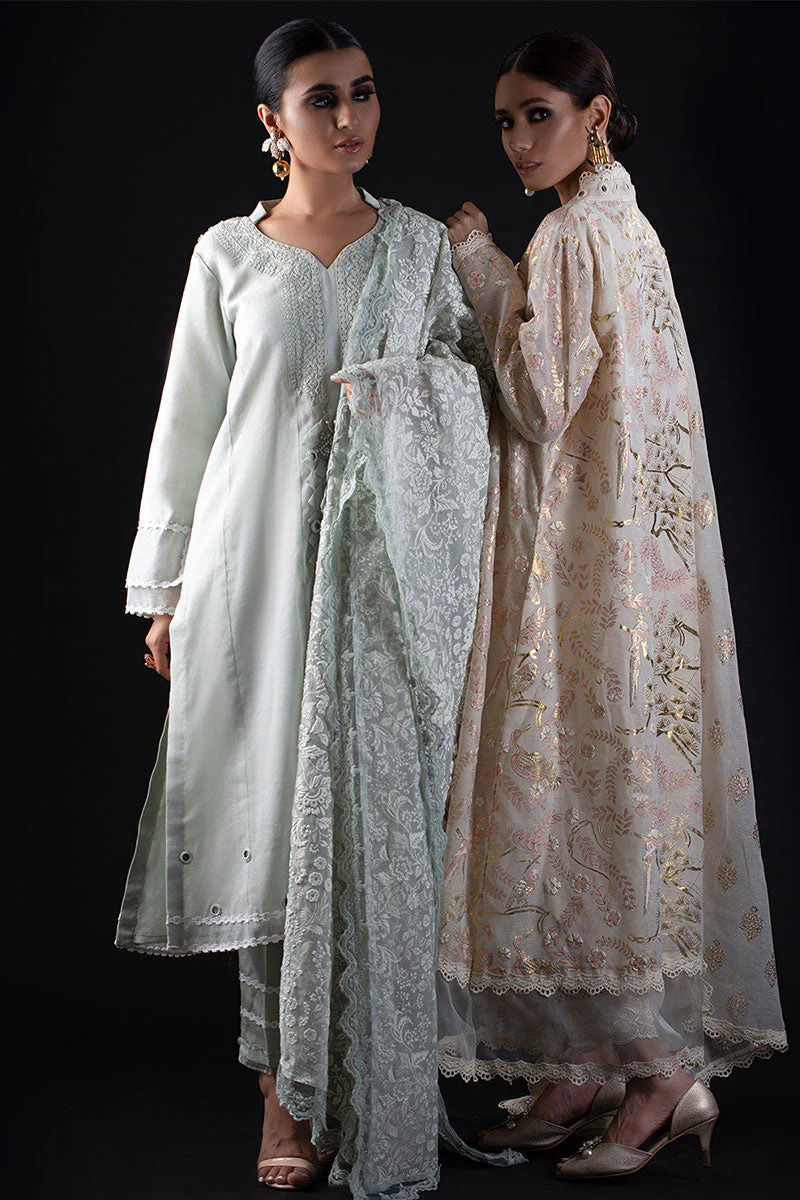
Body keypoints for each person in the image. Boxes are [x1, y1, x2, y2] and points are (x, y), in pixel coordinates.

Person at [115, 18, 514, 1198]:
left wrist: (400, 394)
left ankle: (374, 1088)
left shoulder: (418, 248)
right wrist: (165, 596)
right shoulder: (228, 256)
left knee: (374, 823)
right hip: (254, 577)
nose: (349, 118)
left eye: (363, 93)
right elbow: (188, 428)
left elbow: (476, 396)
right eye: (321, 99)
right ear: (270, 124)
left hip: (383, 588)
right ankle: (283, 1097)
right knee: (278, 830)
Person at [438, 30, 787, 1180]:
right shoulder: (627, 224)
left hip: (585, 561)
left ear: (594, 115)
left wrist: (477, 265)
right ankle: (584, 1066)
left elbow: (538, 403)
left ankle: (655, 1077)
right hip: (638, 557)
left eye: (536, 114)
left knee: (583, 793)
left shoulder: (570, 236)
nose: (516, 140)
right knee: (607, 796)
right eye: (504, 121)